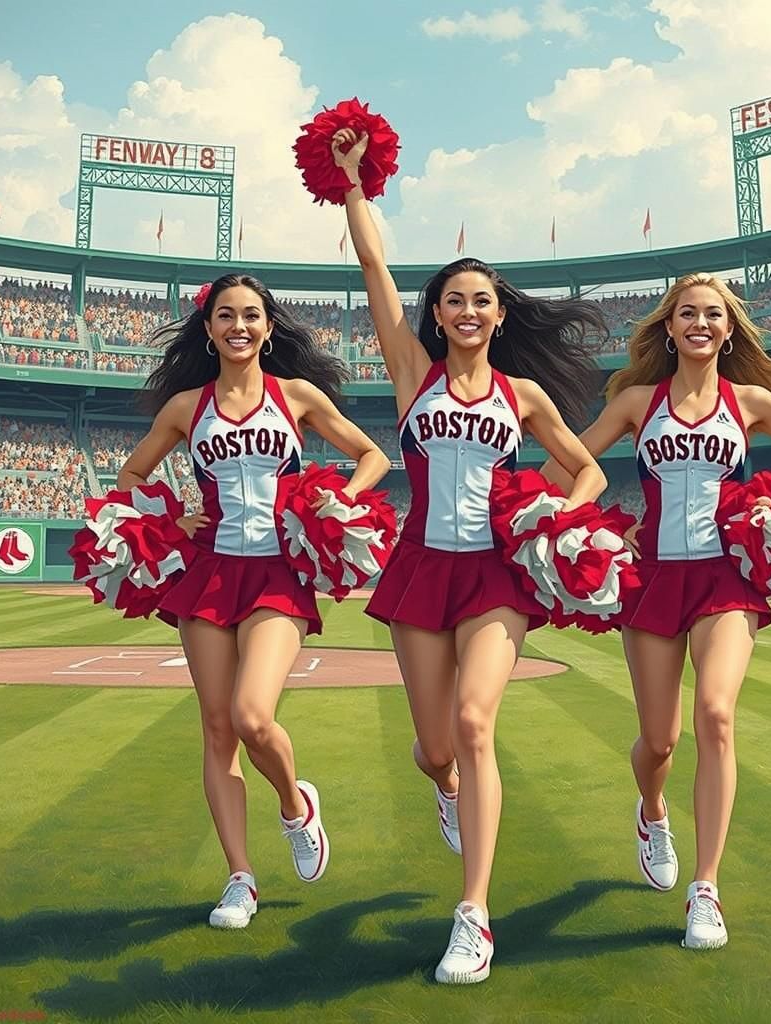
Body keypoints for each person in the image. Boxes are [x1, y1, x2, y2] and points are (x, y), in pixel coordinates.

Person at [335, 128, 608, 983]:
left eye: (482, 300)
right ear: (439, 313)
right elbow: (376, 271)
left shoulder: (522, 396)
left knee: (477, 722)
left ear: (498, 313)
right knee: (434, 744)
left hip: (495, 571)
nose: (468, 311)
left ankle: (474, 916)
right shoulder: (411, 370)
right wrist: (353, 184)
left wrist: (557, 517)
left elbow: (590, 470)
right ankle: (442, 785)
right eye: (454, 299)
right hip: (420, 565)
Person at [545, 272, 771, 950]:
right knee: (659, 741)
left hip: (725, 578)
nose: (701, 324)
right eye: (688, 314)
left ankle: (706, 889)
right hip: (653, 578)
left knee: (715, 712)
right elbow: (564, 467)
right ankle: (652, 810)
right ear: (670, 326)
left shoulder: (751, 401)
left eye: (714, 314)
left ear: (729, 329)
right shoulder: (634, 402)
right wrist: (593, 522)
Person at [117, 273, 390, 929]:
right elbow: (132, 472)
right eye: (225, 316)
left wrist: (336, 502)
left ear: (268, 328)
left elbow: (372, 455)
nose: (238, 326)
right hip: (210, 572)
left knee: (250, 715)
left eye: (251, 316)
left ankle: (296, 806)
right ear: (208, 330)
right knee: (216, 729)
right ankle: (240, 878)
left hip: (277, 570)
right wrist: (169, 515)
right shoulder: (187, 407)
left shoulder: (295, 395)